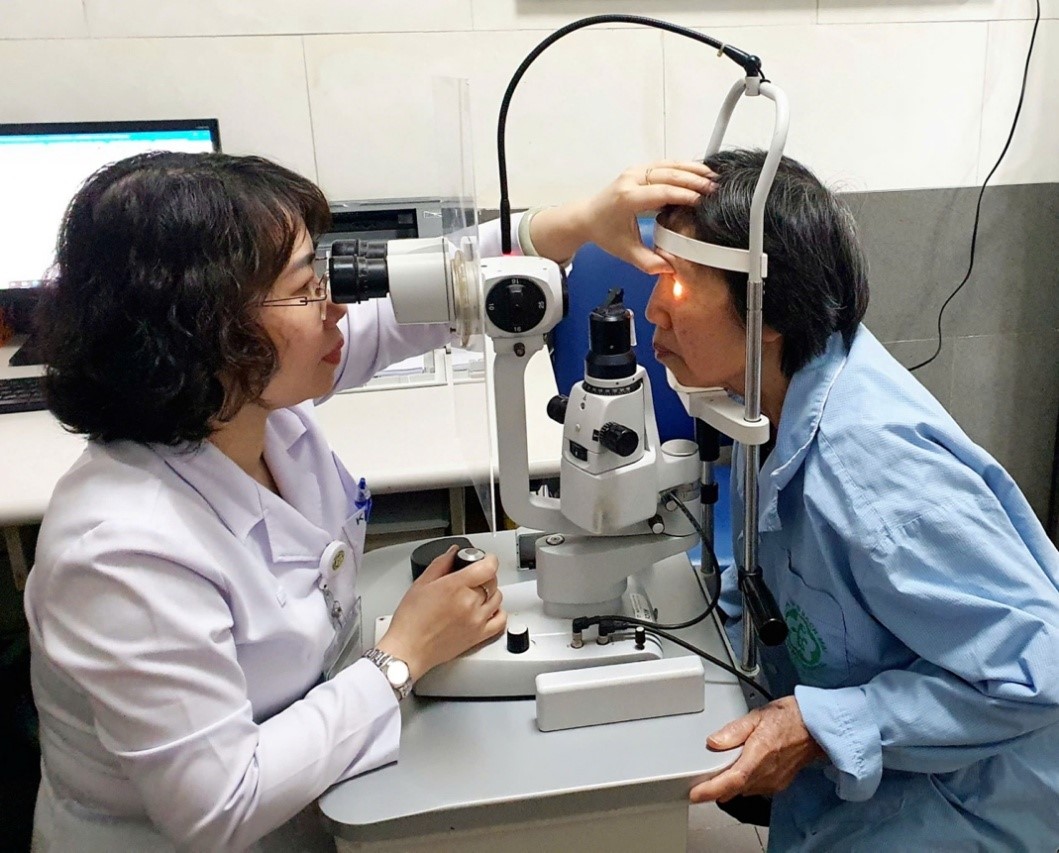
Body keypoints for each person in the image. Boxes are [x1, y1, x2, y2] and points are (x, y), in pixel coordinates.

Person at [23, 150, 715, 852]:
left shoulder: (247, 403)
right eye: (306, 287)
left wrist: (574, 223)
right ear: (211, 330)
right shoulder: (121, 550)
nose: (338, 305)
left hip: (318, 796)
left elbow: (417, 302)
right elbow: (221, 805)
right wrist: (403, 655)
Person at [644, 148, 1059, 848]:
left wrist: (819, 726)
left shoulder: (875, 477)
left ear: (768, 309)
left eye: (678, 284)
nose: (654, 307)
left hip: (965, 805)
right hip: (860, 788)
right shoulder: (769, 402)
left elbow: (1038, 669)